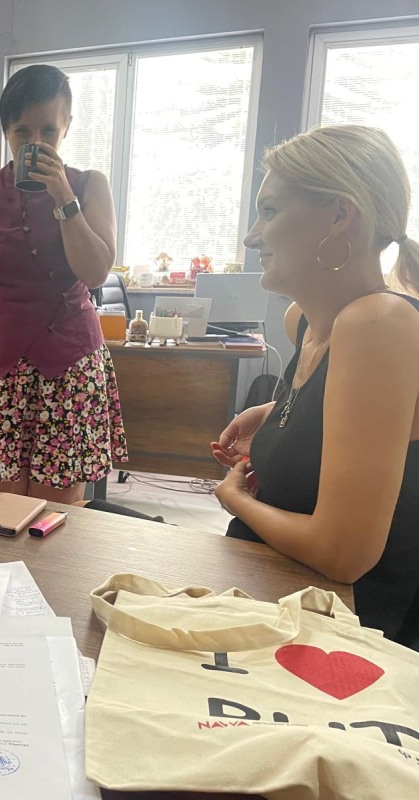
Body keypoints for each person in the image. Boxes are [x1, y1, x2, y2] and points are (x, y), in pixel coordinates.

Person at [213, 125, 419, 647]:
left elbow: (343, 554)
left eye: (269, 211)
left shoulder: (379, 323)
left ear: (339, 216)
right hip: (279, 597)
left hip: (348, 637)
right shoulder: (303, 323)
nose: (252, 237)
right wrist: (279, 411)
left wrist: (235, 499)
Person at [0, 64, 127, 504]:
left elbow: (95, 272)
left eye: (48, 130)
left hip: (69, 369)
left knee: (56, 518)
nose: (36, 142)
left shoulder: (90, 186)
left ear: (67, 127)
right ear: (6, 131)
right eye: (22, 131)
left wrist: (63, 197)